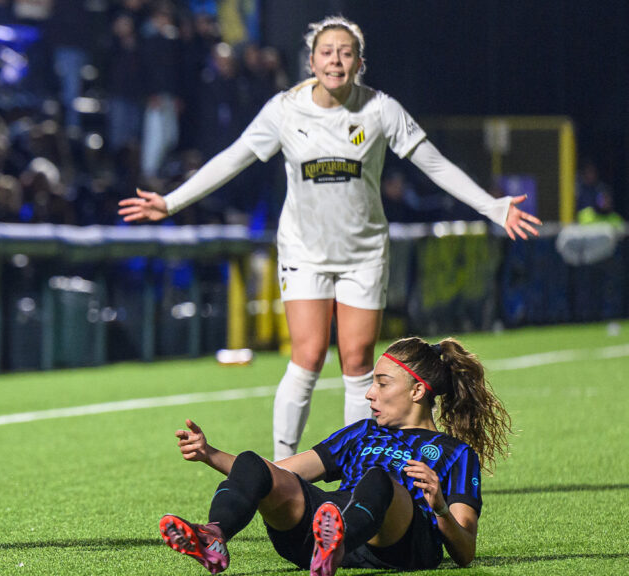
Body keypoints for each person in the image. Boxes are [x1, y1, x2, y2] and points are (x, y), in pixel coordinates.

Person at [119, 16, 540, 461]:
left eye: (345, 52)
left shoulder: (381, 109)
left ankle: (354, 468)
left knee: (358, 361)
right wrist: (172, 202)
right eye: (327, 52)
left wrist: (492, 206)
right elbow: (233, 158)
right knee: (308, 355)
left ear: (359, 62)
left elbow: (433, 164)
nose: (335, 60)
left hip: (364, 253)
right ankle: (282, 467)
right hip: (304, 250)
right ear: (312, 60)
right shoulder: (285, 109)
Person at [159, 336, 511, 575]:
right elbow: (273, 474)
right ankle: (214, 537)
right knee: (254, 462)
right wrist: (209, 454)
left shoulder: (456, 453)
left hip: (401, 544)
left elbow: (465, 553)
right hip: (329, 522)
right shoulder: (362, 431)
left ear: (418, 390)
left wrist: (440, 508)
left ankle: (334, 546)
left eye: (382, 383)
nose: (370, 393)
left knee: (379, 479)